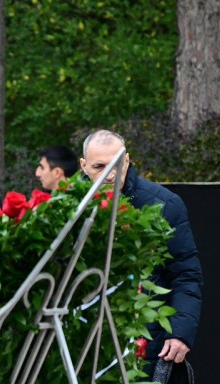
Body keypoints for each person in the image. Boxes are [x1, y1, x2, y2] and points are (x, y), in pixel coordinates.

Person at [80, 130, 202, 366]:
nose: (109, 174)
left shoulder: (164, 204)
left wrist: (179, 333)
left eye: (116, 164)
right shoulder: (67, 206)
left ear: (127, 160)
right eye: (99, 166)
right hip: (82, 335)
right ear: (83, 166)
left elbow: (186, 274)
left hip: (142, 338)